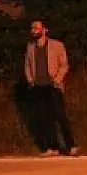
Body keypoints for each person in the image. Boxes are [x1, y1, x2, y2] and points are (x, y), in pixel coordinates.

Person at [23, 20, 77, 156]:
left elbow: (64, 65)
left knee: (60, 116)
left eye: (36, 27)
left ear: (44, 30)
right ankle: (52, 147)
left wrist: (57, 79)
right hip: (38, 86)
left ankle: (71, 145)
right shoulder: (30, 47)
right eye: (32, 28)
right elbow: (27, 65)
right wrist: (30, 80)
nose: (33, 30)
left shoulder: (57, 45)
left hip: (53, 85)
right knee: (44, 117)